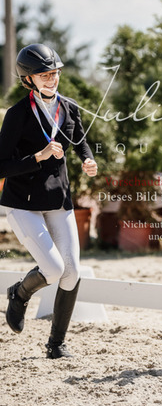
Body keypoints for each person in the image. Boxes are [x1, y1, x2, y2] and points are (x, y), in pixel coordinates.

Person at [0, 44, 97, 359]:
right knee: (53, 269)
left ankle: (56, 344)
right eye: (45, 75)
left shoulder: (68, 107)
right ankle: (19, 294)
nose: (52, 79)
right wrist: (37, 157)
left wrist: (88, 160)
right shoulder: (17, 114)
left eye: (54, 73)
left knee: (71, 272)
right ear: (28, 79)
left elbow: (79, 140)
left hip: (58, 198)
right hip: (22, 203)